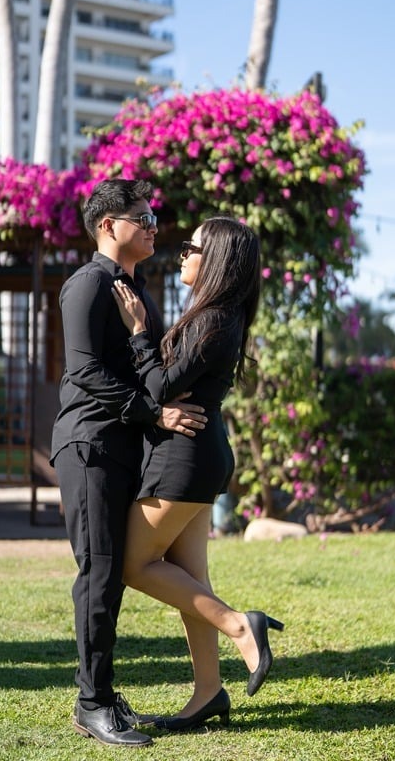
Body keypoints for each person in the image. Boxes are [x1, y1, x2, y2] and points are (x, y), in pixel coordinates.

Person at [50, 178, 207, 747]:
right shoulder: (88, 284)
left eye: (154, 218)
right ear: (107, 225)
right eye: (142, 218)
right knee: (98, 570)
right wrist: (155, 413)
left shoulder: (138, 290)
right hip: (89, 444)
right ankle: (91, 703)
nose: (153, 227)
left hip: (122, 448)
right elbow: (84, 371)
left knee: (112, 570)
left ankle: (102, 691)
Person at [112, 216, 284, 731]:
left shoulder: (213, 320)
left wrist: (139, 333)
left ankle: (240, 626)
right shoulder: (215, 317)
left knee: (133, 565)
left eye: (193, 246)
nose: (183, 252)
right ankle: (208, 692)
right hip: (198, 454)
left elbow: (161, 387)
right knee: (191, 579)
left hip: (184, 459)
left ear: (218, 261)